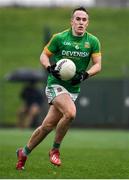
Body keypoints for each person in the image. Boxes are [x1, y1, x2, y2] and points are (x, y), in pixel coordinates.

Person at [16, 6, 101, 170]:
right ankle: (55, 150)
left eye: (84, 20)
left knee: (47, 126)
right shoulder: (59, 38)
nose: (81, 22)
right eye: (78, 19)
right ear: (72, 21)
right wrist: (49, 68)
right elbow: (44, 55)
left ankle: (24, 152)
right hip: (55, 84)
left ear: (88, 23)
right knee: (70, 113)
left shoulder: (93, 41)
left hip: (73, 90)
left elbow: (98, 65)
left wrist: (85, 75)